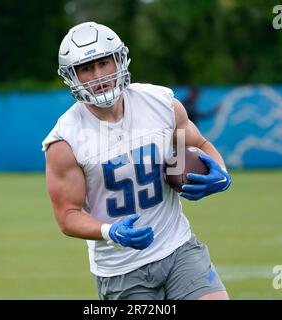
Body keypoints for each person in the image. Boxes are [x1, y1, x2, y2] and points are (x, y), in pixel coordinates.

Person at [43, 22, 232, 300]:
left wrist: (222, 173)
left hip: (178, 247)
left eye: (103, 63)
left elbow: (199, 144)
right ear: (72, 76)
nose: (98, 75)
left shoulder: (160, 102)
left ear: (119, 60)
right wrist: (110, 231)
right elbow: (67, 216)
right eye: (86, 68)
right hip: (121, 270)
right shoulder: (65, 140)